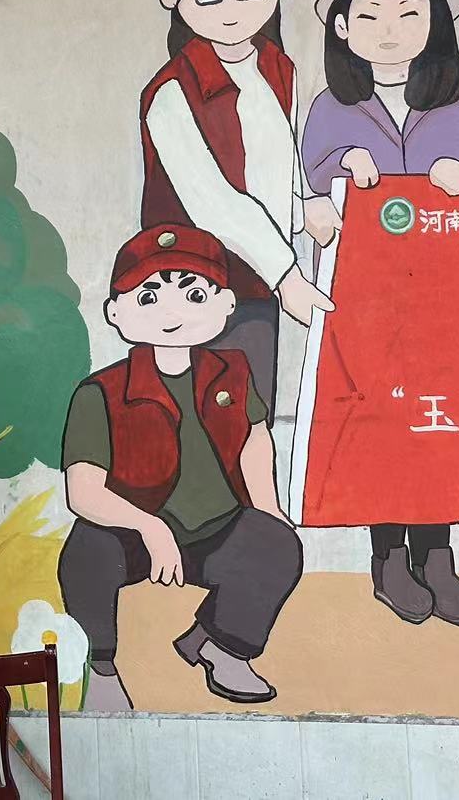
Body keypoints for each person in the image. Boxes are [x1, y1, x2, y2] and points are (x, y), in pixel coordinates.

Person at [299, 0, 459, 627]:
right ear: (342, 26)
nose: (390, 29)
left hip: (443, 301)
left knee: (436, 422)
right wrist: (339, 171)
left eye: (410, 12)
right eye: (372, 14)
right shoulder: (331, 107)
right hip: (367, 304)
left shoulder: (457, 100)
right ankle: (387, 559)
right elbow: (314, 184)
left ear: (435, 22)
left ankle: (436, 557)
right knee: (379, 427)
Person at [58, 224, 303, 710]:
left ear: (226, 304)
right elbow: (82, 491)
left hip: (215, 529)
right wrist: (148, 527)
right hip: (134, 534)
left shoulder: (233, 372)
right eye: (149, 297)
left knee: (279, 545)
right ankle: (101, 668)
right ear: (115, 311)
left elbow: (255, 439)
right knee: (85, 553)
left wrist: (269, 509)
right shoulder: (100, 392)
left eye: (194, 295)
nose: (172, 314)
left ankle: (221, 646)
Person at [141, 0, 336, 417]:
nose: (234, 9)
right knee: (195, 420)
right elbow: (215, 204)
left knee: (253, 416)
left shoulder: (279, 69)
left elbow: (277, 171)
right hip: (188, 292)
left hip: (257, 289)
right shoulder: (172, 92)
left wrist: (303, 207)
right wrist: (287, 276)